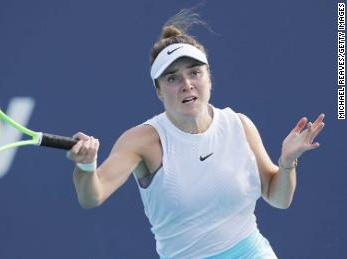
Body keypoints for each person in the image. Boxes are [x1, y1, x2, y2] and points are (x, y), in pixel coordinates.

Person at [66, 10, 325, 259]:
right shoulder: (142, 140)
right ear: (158, 91)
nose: (187, 84)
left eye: (194, 73)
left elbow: (278, 198)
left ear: (209, 78)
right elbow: (92, 196)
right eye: (172, 78)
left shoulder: (239, 125)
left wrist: (287, 162)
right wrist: (86, 166)